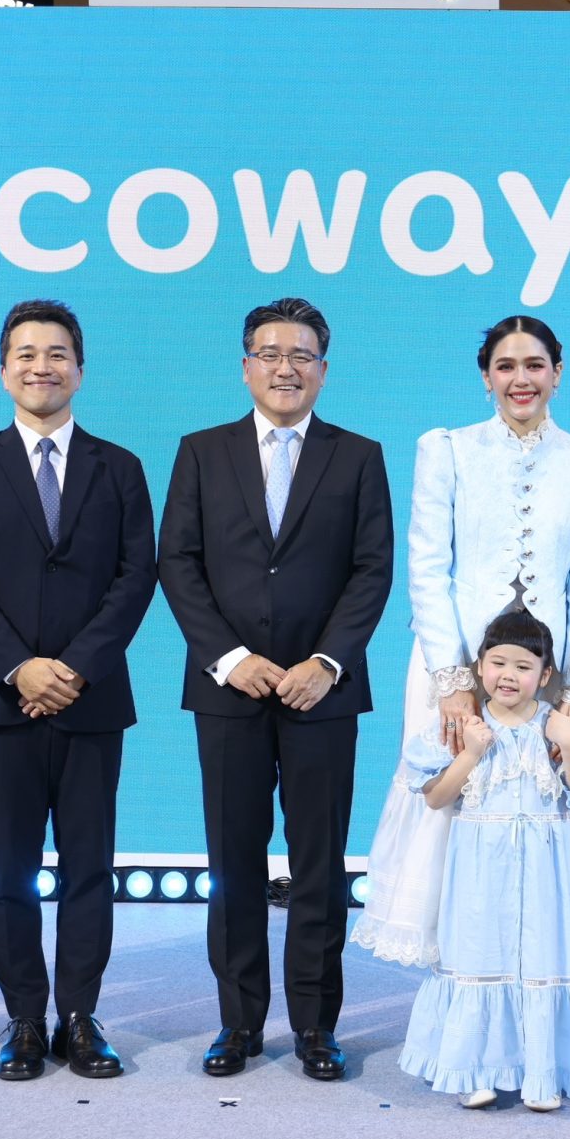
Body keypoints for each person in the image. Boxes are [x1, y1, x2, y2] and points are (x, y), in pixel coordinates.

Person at [354, 314, 570, 979]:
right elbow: (427, 568)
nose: (521, 379)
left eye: (535, 365)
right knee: (453, 807)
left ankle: (541, 973)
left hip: (549, 675)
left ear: (557, 374)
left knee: (549, 814)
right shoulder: (448, 450)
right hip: (454, 665)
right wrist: (452, 680)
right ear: (485, 377)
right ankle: (463, 983)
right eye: (506, 366)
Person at [159, 297, 393, 1082]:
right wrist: (228, 657)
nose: (285, 368)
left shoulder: (358, 456)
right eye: (269, 353)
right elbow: (177, 562)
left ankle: (316, 1027)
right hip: (230, 691)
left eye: (301, 355)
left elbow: (372, 569)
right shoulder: (202, 451)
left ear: (323, 369)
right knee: (233, 864)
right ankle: (238, 1023)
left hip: (321, 695)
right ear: (245, 366)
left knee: (319, 867)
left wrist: (327, 662)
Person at [0, 301, 156, 1082]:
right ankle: (25, 1017)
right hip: (2, 704)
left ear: (80, 371)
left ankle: (81, 1016)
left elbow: (136, 577)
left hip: (92, 702)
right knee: (10, 869)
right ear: (4, 371)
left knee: (90, 866)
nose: (42, 366)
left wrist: (74, 669)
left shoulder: (119, 467)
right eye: (26, 354)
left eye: (57, 353)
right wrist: (19, 668)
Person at [389, 610, 570, 1112]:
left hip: (549, 871)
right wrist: (470, 754)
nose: (508, 675)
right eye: (498, 663)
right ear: (479, 666)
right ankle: (473, 1069)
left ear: (545, 675)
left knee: (546, 956)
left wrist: (567, 740)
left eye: (523, 667)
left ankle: (543, 1072)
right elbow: (436, 797)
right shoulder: (464, 728)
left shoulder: (556, 727)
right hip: (479, 872)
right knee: (478, 954)